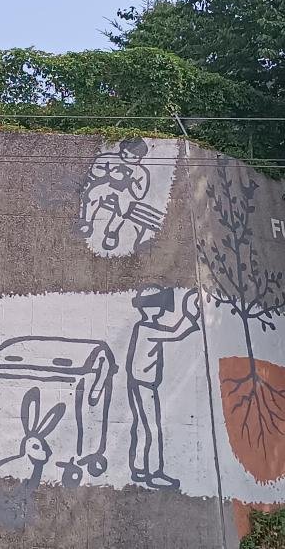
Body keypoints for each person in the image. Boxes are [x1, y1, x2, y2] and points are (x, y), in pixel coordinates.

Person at [126, 286, 201, 489]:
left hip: (138, 383)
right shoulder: (147, 328)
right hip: (144, 384)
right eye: (158, 305)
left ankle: (139, 468)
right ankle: (154, 473)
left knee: (141, 427)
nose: (162, 309)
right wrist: (190, 315)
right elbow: (175, 333)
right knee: (153, 428)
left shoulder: (142, 326)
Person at [79, 138, 152, 250]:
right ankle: (87, 221)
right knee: (92, 195)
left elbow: (139, 195)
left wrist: (130, 181)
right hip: (105, 187)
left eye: (133, 157)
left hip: (124, 194)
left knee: (124, 208)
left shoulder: (141, 172)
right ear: (121, 149)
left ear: (139, 158)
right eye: (125, 154)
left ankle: (112, 232)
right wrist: (108, 174)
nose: (127, 158)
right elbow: (94, 173)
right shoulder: (107, 158)